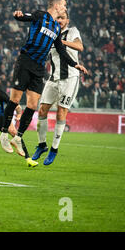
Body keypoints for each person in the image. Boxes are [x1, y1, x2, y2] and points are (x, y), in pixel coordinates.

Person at [0, 0, 88, 167]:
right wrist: (17, 15)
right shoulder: (41, 15)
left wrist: (75, 64)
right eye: (63, 5)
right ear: (55, 6)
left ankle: (18, 137)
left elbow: (62, 50)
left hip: (39, 69)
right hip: (25, 62)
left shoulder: (55, 27)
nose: (64, 7)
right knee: (15, 100)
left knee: (32, 106)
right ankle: (3, 134)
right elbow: (26, 17)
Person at [33, 11, 84, 165]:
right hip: (53, 78)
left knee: (61, 112)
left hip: (70, 78)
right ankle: (42, 145)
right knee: (42, 110)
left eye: (62, 18)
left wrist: (61, 42)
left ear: (67, 20)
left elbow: (79, 46)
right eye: (57, 18)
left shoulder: (72, 31)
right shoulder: (50, 34)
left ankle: (54, 149)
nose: (60, 20)